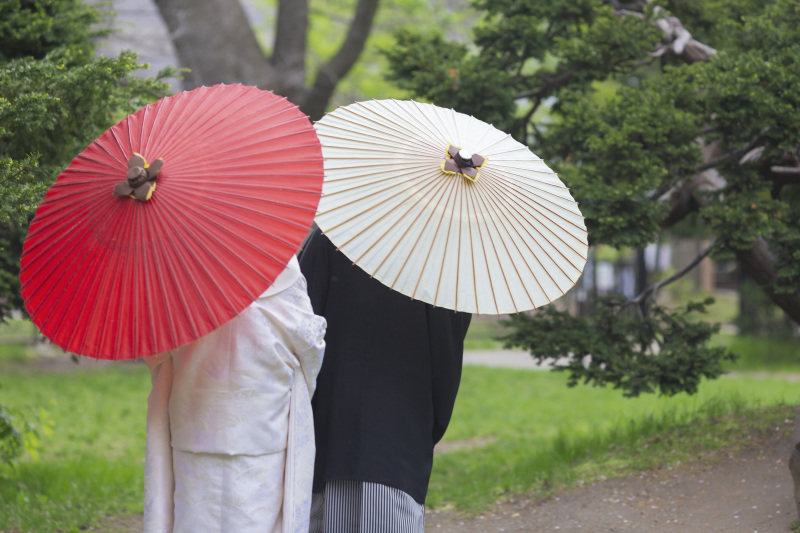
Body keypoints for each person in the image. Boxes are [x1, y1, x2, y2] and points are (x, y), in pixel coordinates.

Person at [299, 227, 471, 532]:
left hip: (330, 425)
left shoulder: (336, 232)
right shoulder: (447, 255)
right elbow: (446, 359)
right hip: (399, 439)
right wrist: (428, 425)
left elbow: (301, 325)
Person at [142, 255, 326, 533]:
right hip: (261, 420)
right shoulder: (276, 257)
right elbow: (309, 344)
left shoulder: (177, 258)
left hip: (195, 419)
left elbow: (156, 348)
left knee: (193, 517)